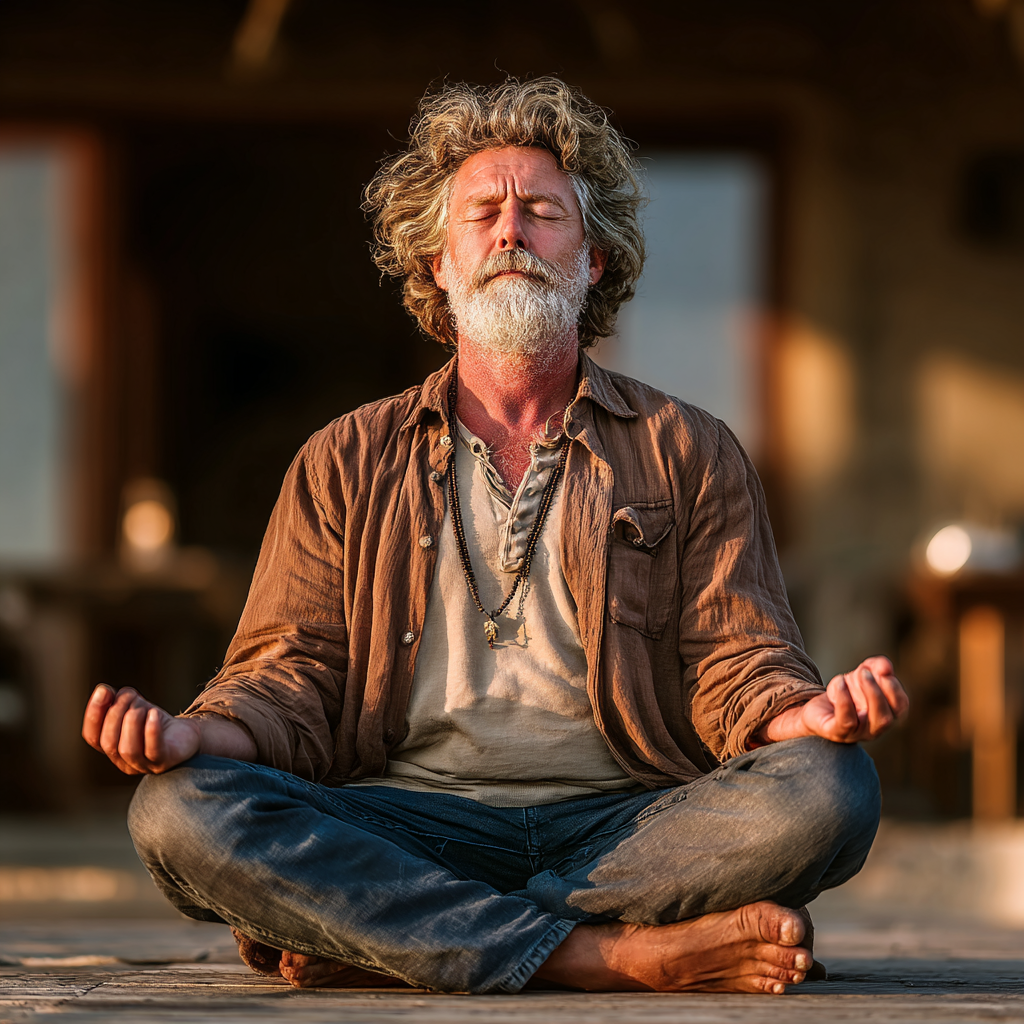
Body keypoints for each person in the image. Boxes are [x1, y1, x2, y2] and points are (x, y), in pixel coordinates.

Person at [82, 77, 908, 996]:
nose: (512, 232)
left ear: (593, 259)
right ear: (438, 261)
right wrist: (194, 735)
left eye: (544, 213)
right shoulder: (343, 458)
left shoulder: (689, 447)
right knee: (179, 809)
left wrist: (808, 717)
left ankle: (392, 935)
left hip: (629, 827)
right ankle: (611, 955)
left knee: (832, 789)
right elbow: (292, 676)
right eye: (483, 214)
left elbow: (735, 660)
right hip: (405, 822)